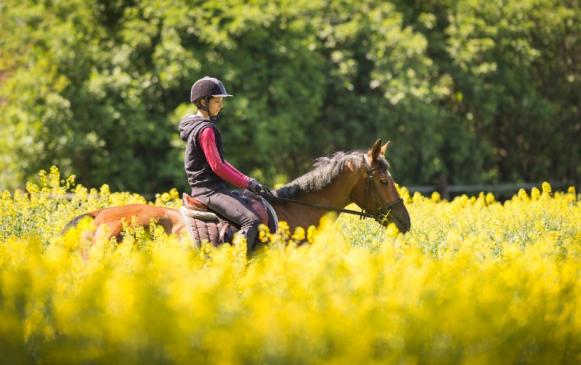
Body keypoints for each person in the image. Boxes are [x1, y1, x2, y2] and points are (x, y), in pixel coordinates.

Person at [179, 76, 273, 253]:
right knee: (251, 221)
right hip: (209, 192)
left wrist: (249, 181)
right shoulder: (206, 130)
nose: (221, 105)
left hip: (210, 189)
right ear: (203, 102)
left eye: (221, 101)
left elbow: (221, 162)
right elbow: (218, 167)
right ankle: (235, 265)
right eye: (217, 100)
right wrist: (247, 184)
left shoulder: (198, 126)